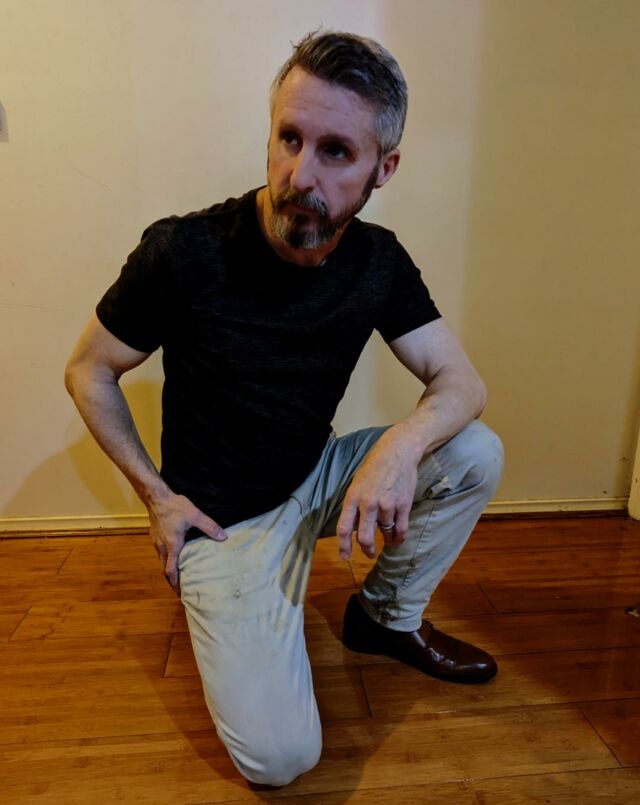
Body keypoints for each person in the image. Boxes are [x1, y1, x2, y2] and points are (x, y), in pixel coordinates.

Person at [65, 31, 504, 787]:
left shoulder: (378, 260)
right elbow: (89, 369)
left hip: (316, 473)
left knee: (473, 451)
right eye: (289, 138)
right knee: (280, 759)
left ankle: (383, 617)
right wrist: (157, 498)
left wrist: (399, 447)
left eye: (336, 151)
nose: (299, 175)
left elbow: (461, 383)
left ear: (383, 168)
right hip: (223, 521)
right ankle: (242, 598)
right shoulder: (183, 251)